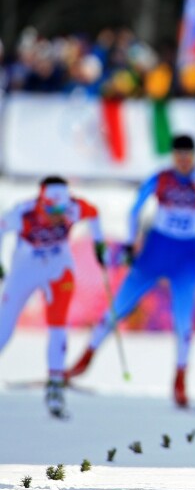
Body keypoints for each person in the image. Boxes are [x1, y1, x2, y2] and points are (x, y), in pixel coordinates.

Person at [66, 134, 195, 408]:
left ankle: (180, 382)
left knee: (184, 322)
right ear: (173, 156)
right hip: (154, 253)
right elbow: (135, 208)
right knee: (117, 308)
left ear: (193, 156)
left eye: (187, 156)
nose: (183, 161)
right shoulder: (161, 178)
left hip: (184, 258)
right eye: (178, 156)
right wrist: (129, 242)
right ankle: (83, 361)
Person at [0, 177, 106, 419]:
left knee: (58, 325)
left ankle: (56, 385)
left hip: (58, 268)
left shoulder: (73, 208)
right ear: (41, 202)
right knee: (4, 329)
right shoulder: (23, 212)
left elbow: (94, 213)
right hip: (25, 269)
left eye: (61, 210)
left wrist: (99, 244)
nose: (58, 216)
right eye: (51, 210)